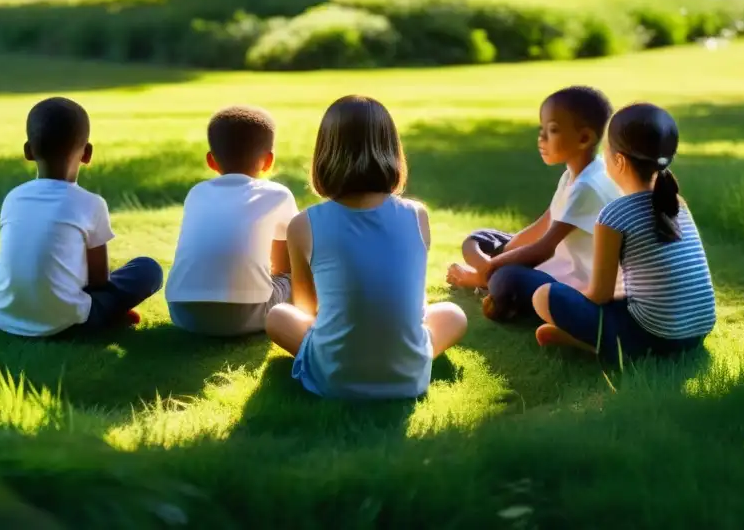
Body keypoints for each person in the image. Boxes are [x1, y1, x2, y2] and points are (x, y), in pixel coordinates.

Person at [266, 95, 468, 400]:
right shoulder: (417, 215)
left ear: (324, 154)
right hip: (409, 379)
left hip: (334, 379)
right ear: (392, 150)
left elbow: (306, 309)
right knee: (452, 314)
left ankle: (349, 361)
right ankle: (402, 357)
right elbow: (415, 302)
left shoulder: (303, 224)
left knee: (278, 316)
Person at [531, 103, 717, 362]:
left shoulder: (614, 214)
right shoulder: (677, 203)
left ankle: (608, 348)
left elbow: (599, 295)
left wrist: (573, 306)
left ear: (618, 160)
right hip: (697, 332)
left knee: (544, 296)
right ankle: (598, 341)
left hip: (656, 337)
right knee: (621, 302)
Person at [0, 97, 162, 338]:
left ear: (28, 151)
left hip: (5, 316)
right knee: (148, 269)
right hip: (69, 323)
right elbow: (99, 280)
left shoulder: (13, 198)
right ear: (87, 153)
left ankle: (100, 310)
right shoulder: (91, 203)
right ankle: (108, 313)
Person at [446, 86, 620, 321]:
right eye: (542, 129)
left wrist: (483, 272)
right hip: (552, 259)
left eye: (553, 130)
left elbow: (544, 247)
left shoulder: (588, 186)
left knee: (507, 278)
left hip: (571, 281)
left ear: (584, 138)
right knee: (478, 240)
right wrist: (506, 251)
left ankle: (487, 282)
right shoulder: (574, 174)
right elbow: (545, 222)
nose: (542, 138)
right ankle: (491, 276)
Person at [166, 105, 299, 337]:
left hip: (183, 313)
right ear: (269, 161)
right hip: (246, 315)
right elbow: (283, 266)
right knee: (296, 276)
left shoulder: (197, 192)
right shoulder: (278, 194)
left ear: (211, 161)